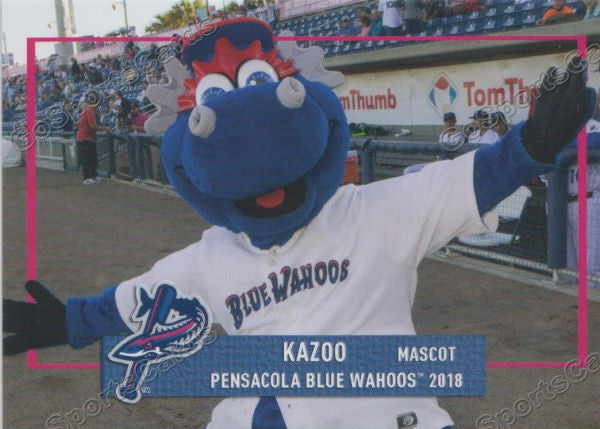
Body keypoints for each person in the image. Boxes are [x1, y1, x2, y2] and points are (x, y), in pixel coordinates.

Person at [3, 18, 595, 429]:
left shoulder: (380, 212)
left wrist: (534, 142)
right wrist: (63, 321)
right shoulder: (211, 257)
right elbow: (134, 303)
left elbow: (479, 175)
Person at [566, 119, 600, 288]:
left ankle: (592, 309)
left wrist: (561, 145)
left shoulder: (592, 125)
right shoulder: (554, 126)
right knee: (564, 264)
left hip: (588, 201)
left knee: (590, 265)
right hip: (558, 203)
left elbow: (596, 139)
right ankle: (567, 308)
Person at [76, 95, 111, 185]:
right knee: (87, 159)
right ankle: (87, 178)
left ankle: (93, 176)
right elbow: (93, 126)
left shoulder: (85, 111)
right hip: (85, 138)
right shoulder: (88, 111)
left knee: (91, 158)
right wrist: (105, 128)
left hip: (86, 137)